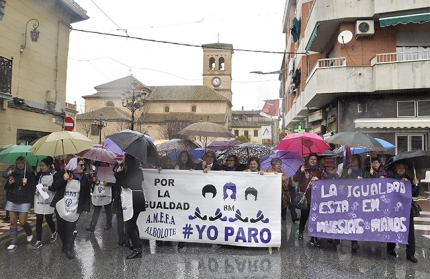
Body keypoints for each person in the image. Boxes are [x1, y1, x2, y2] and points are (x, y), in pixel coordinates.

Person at [50, 157, 91, 259]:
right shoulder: (62, 174)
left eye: (83, 165)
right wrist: (63, 180)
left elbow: (86, 194)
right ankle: (65, 243)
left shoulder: (84, 178)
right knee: (61, 229)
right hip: (62, 206)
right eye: (80, 165)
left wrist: (86, 207)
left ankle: (69, 248)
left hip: (75, 206)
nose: (83, 167)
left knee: (70, 228)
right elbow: (53, 187)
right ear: (73, 165)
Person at [387, 162, 420, 263]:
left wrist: (415, 184)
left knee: (409, 231)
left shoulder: (409, 179)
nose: (401, 170)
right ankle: (390, 247)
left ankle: (410, 253)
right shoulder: (391, 178)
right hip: (394, 208)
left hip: (406, 209)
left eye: (403, 168)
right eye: (399, 168)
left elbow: (415, 193)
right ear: (395, 169)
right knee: (392, 228)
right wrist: (399, 182)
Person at [114, 153, 145, 259]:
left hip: (133, 200)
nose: (122, 159)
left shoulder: (131, 170)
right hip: (138, 199)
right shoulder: (136, 169)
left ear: (128, 159)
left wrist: (119, 173)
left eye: (123, 157)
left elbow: (125, 184)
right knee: (133, 223)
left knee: (129, 225)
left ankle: (137, 249)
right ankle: (138, 245)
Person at [4, 156, 37, 250]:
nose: (20, 165)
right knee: (13, 221)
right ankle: (13, 242)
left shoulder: (30, 174)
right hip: (12, 199)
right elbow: (6, 188)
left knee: (22, 222)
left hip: (24, 200)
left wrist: (26, 183)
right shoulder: (13, 173)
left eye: (22, 163)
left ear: (25, 164)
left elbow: (32, 188)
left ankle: (29, 232)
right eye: (18, 163)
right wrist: (9, 183)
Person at [341, 154, 371, 251]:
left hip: (361, 199)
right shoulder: (347, 169)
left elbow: (370, 184)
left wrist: (365, 179)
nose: (352, 160)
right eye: (351, 159)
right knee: (352, 219)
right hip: (350, 199)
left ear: (359, 161)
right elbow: (340, 182)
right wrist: (347, 175)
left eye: (354, 159)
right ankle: (354, 241)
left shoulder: (364, 171)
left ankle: (359, 237)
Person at [293, 153, 324, 247]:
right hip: (305, 197)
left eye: (315, 159)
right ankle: (301, 232)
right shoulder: (303, 168)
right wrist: (300, 171)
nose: (313, 161)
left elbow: (324, 181)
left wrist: (319, 179)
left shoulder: (320, 170)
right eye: (311, 159)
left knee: (314, 218)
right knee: (304, 216)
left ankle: (313, 236)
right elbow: (295, 178)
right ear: (308, 160)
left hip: (316, 197)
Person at [33, 156, 59, 249]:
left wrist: (48, 188)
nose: (41, 167)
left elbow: (56, 186)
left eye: (43, 166)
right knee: (39, 219)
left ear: (48, 166)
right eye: (40, 165)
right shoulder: (39, 174)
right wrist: (36, 190)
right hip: (39, 198)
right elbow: (35, 185)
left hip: (49, 198)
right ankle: (38, 240)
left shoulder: (55, 174)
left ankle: (53, 232)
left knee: (48, 218)